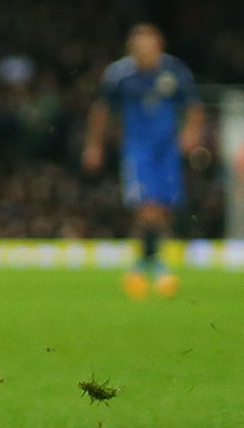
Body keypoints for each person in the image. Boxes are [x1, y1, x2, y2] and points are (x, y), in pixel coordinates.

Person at [85, 23, 206, 297]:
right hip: (138, 149)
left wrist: (190, 134)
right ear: (131, 48)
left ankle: (145, 261)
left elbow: (194, 107)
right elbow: (102, 110)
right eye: (138, 46)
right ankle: (153, 265)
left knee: (163, 207)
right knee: (146, 206)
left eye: (148, 45)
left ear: (158, 45)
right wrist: (94, 145)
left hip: (167, 149)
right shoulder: (119, 75)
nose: (143, 51)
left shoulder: (174, 71)